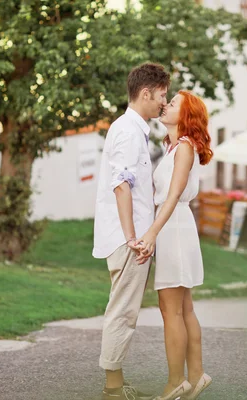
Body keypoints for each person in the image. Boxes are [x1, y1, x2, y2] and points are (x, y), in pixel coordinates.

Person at [93, 62, 170, 400]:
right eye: (162, 97)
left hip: (131, 236)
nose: (164, 105)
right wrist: (131, 238)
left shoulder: (133, 129)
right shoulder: (127, 130)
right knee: (122, 311)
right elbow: (121, 185)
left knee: (124, 310)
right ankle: (112, 388)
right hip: (129, 239)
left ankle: (116, 381)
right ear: (145, 93)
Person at [135, 91, 214, 400]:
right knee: (184, 309)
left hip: (174, 229)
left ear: (185, 116)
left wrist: (152, 233)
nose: (165, 105)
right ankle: (195, 376)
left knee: (172, 311)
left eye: (173, 104)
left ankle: (175, 383)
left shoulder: (183, 149)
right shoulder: (174, 148)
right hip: (177, 227)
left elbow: (172, 197)